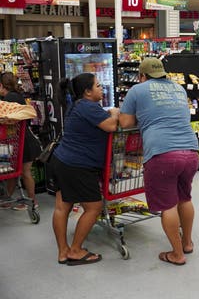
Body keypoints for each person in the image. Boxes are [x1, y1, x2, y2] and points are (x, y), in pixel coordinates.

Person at [119, 57, 199, 266]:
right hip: (191, 150)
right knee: (185, 198)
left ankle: (177, 254)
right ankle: (187, 243)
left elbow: (126, 122)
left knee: (168, 206)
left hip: (162, 153)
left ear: (142, 76)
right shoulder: (179, 88)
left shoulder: (137, 90)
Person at [51, 73, 119, 265]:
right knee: (94, 207)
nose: (101, 88)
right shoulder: (89, 107)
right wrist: (114, 112)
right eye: (97, 86)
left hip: (62, 160)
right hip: (78, 165)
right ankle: (75, 250)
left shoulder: (77, 105)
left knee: (62, 207)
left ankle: (63, 251)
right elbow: (111, 126)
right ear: (88, 92)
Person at [0, 72, 41, 210]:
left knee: (24, 172)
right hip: (23, 141)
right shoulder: (15, 96)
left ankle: (32, 202)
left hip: (24, 143)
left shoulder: (10, 98)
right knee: (14, 172)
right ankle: (8, 198)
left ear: (1, 85)